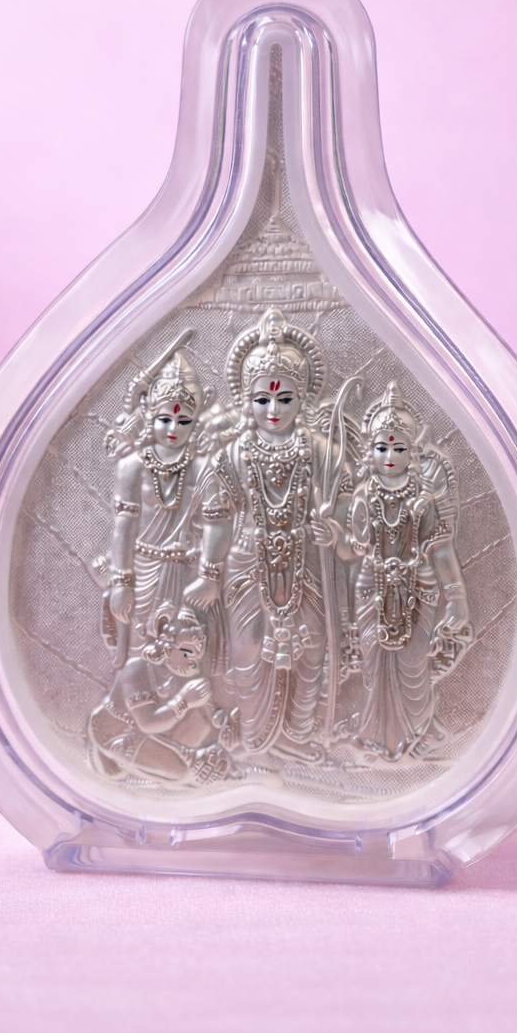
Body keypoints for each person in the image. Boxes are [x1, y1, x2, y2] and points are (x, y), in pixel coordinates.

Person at [184, 308, 348, 762]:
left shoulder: (321, 451)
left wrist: (333, 530)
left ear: (303, 397)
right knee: (250, 649)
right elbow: (217, 519)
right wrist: (208, 573)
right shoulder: (232, 454)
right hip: (246, 563)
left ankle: (298, 734)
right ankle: (255, 737)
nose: (273, 410)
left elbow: (347, 508)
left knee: (309, 649)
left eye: (284, 398)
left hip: (307, 563)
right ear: (246, 399)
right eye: (263, 399)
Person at [326, 382, 472, 761]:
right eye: (382, 447)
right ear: (370, 452)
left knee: (412, 665)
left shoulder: (424, 499)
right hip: (371, 588)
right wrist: (334, 536)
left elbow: (440, 550)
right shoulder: (363, 495)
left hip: (417, 589)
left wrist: (456, 598)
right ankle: (376, 736)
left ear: (413, 451)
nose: (390, 456)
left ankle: (422, 732)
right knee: (374, 666)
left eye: (399, 448)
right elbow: (353, 550)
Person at [94, 346, 211, 667]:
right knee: (138, 653)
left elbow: (217, 522)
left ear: (195, 420)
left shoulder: (203, 467)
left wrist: (209, 575)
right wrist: (122, 582)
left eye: (183, 420)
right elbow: (123, 528)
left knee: (186, 651)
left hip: (187, 573)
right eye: (165, 419)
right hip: (142, 571)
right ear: (150, 416)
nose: (173, 429)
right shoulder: (132, 466)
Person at [88, 604, 236, 787]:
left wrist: (222, 721)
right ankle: (120, 766)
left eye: (200, 650)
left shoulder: (183, 671)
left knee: (200, 720)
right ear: (167, 649)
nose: (195, 658)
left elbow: (207, 715)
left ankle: (189, 757)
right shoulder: (137, 670)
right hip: (118, 731)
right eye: (188, 652)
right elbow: (147, 723)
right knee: (181, 773)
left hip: (159, 732)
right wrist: (184, 701)